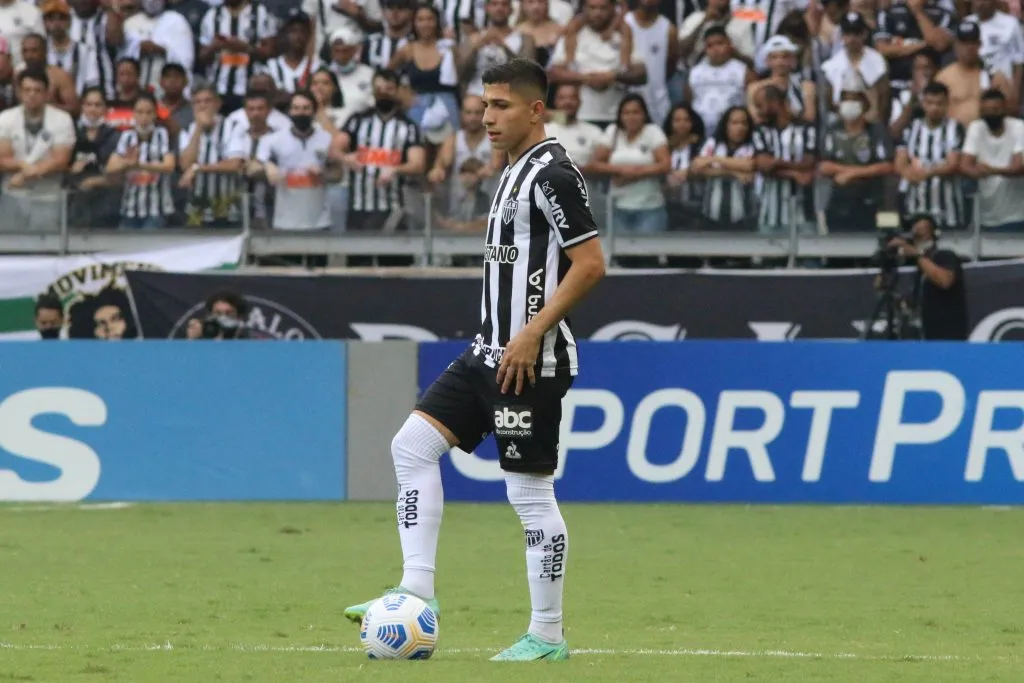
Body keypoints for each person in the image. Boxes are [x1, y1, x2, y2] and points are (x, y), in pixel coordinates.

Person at [343, 58, 606, 662]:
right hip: (487, 352)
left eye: (501, 106)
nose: (486, 117)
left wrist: (533, 333)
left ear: (535, 110)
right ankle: (416, 594)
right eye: (484, 105)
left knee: (531, 497)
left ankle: (547, 634)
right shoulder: (514, 169)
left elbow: (591, 265)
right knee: (410, 447)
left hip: (526, 361)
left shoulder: (554, 175)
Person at [888, 214, 968, 340]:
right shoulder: (919, 271)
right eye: (915, 236)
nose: (918, 240)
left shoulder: (945, 256)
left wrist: (917, 254)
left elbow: (945, 281)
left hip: (948, 337)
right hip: (926, 335)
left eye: (922, 234)